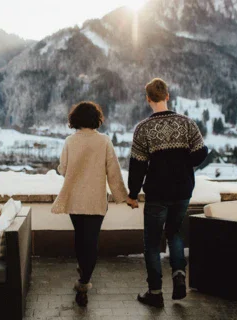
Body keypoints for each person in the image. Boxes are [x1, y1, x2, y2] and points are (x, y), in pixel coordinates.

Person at [127, 78, 208, 307]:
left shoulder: (143, 128)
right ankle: (179, 275)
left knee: (152, 243)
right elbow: (201, 153)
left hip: (157, 193)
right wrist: (183, 164)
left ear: (148, 99)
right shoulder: (186, 123)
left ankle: (155, 293)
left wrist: (132, 194)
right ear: (167, 96)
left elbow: (137, 165)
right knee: (174, 233)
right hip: (183, 190)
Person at [52, 101, 128, 307]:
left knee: (80, 237)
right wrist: (123, 197)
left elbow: (63, 169)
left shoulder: (70, 141)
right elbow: (113, 173)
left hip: (75, 199)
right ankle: (84, 281)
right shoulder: (104, 141)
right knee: (92, 240)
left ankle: (83, 271)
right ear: (96, 119)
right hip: (96, 200)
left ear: (75, 119)